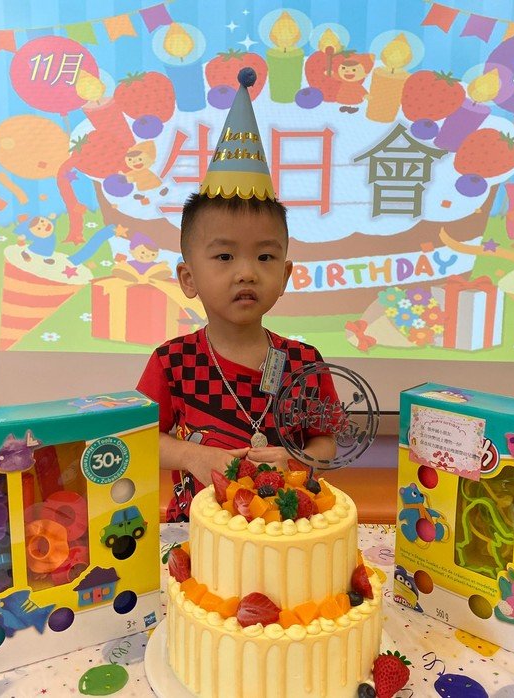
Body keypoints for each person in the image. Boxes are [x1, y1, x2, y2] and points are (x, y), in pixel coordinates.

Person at [136, 69, 338, 523]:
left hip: (286, 531)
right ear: (188, 278)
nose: (246, 272)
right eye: (225, 256)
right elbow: (140, 437)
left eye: (265, 257)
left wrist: (298, 460)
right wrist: (191, 455)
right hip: (196, 531)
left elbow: (326, 442)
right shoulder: (172, 362)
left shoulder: (305, 363)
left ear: (285, 274)